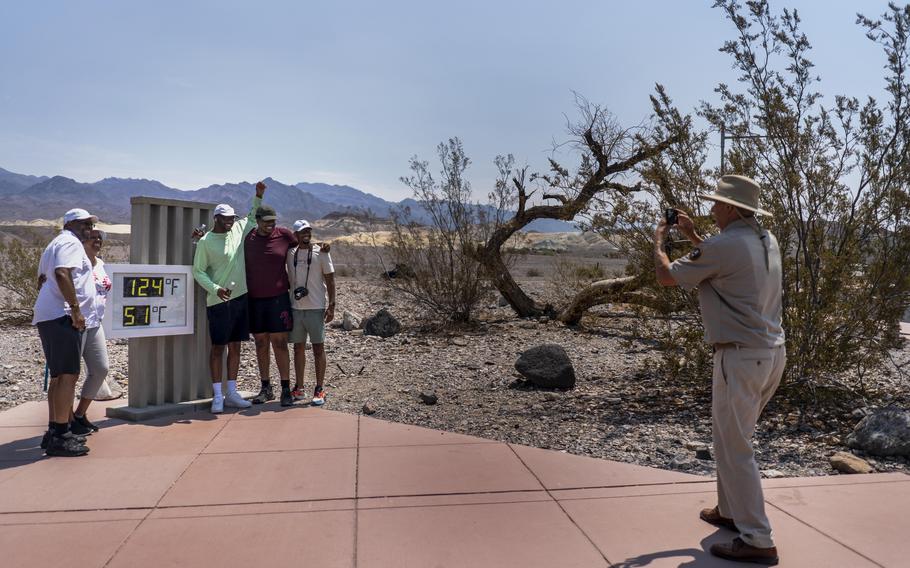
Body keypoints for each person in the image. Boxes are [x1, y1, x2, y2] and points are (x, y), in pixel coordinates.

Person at [654, 175, 785, 566]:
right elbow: (723, 269)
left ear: (730, 208)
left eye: (716, 203)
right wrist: (695, 237)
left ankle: (759, 539)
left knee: (736, 446)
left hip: (740, 357)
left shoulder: (725, 244)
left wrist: (659, 239)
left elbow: (667, 276)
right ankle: (731, 513)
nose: (711, 209)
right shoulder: (765, 240)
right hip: (769, 353)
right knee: (730, 438)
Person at [192, 182, 266, 413]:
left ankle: (232, 393)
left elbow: (253, 216)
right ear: (215, 218)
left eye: (232, 217)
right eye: (225, 218)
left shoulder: (238, 229)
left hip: (240, 298)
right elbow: (198, 271)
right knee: (218, 347)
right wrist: (215, 289)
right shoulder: (205, 242)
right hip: (218, 301)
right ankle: (217, 396)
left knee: (236, 346)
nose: (229, 221)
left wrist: (258, 196)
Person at [33, 208, 96, 456]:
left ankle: (53, 430)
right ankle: (61, 435)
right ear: (71, 224)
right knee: (68, 376)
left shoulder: (55, 244)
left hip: (51, 315)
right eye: (84, 224)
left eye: (90, 224)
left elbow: (41, 278)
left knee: (59, 377)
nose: (89, 228)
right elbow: (62, 273)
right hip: (62, 317)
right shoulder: (70, 242)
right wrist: (75, 309)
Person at [244, 203, 297, 407]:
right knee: (260, 343)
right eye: (266, 221)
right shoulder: (248, 238)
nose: (270, 225)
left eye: (273, 221)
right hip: (255, 300)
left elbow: (302, 244)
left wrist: (321, 249)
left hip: (278, 298)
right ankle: (266, 388)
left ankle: (286, 389)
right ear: (257, 221)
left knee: (280, 344)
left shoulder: (284, 235)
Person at [286, 219, 336, 406]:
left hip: (316, 308)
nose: (306, 234)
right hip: (296, 308)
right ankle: (299, 387)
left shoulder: (321, 253)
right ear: (296, 235)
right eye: (302, 232)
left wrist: (332, 305)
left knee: (318, 348)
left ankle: (320, 388)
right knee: (298, 348)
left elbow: (330, 281)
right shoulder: (290, 253)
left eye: (308, 231)